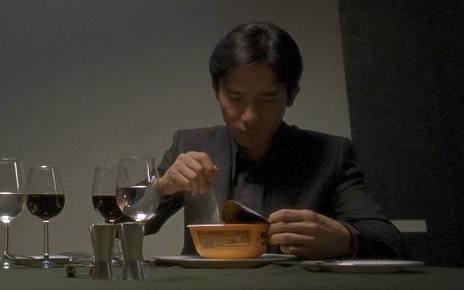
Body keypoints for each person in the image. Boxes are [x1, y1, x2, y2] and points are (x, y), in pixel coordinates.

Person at [145, 22, 407, 259]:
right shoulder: (190, 143)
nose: (249, 116)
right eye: (236, 98)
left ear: (291, 95)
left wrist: (345, 240)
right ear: (217, 91)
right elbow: (127, 222)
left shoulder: (332, 154)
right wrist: (162, 187)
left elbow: (390, 241)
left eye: (267, 99)